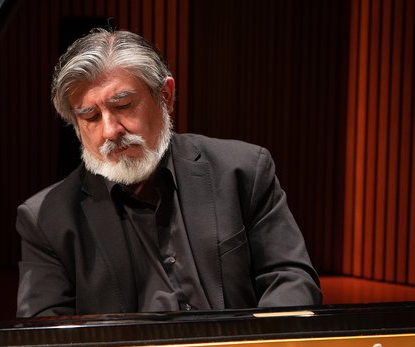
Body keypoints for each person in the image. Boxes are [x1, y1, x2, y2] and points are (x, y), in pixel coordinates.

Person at [16, 29, 322, 318]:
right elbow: (43, 329)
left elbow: (291, 278)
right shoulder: (46, 218)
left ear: (166, 96)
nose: (110, 131)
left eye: (123, 105)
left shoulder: (242, 170)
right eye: (91, 117)